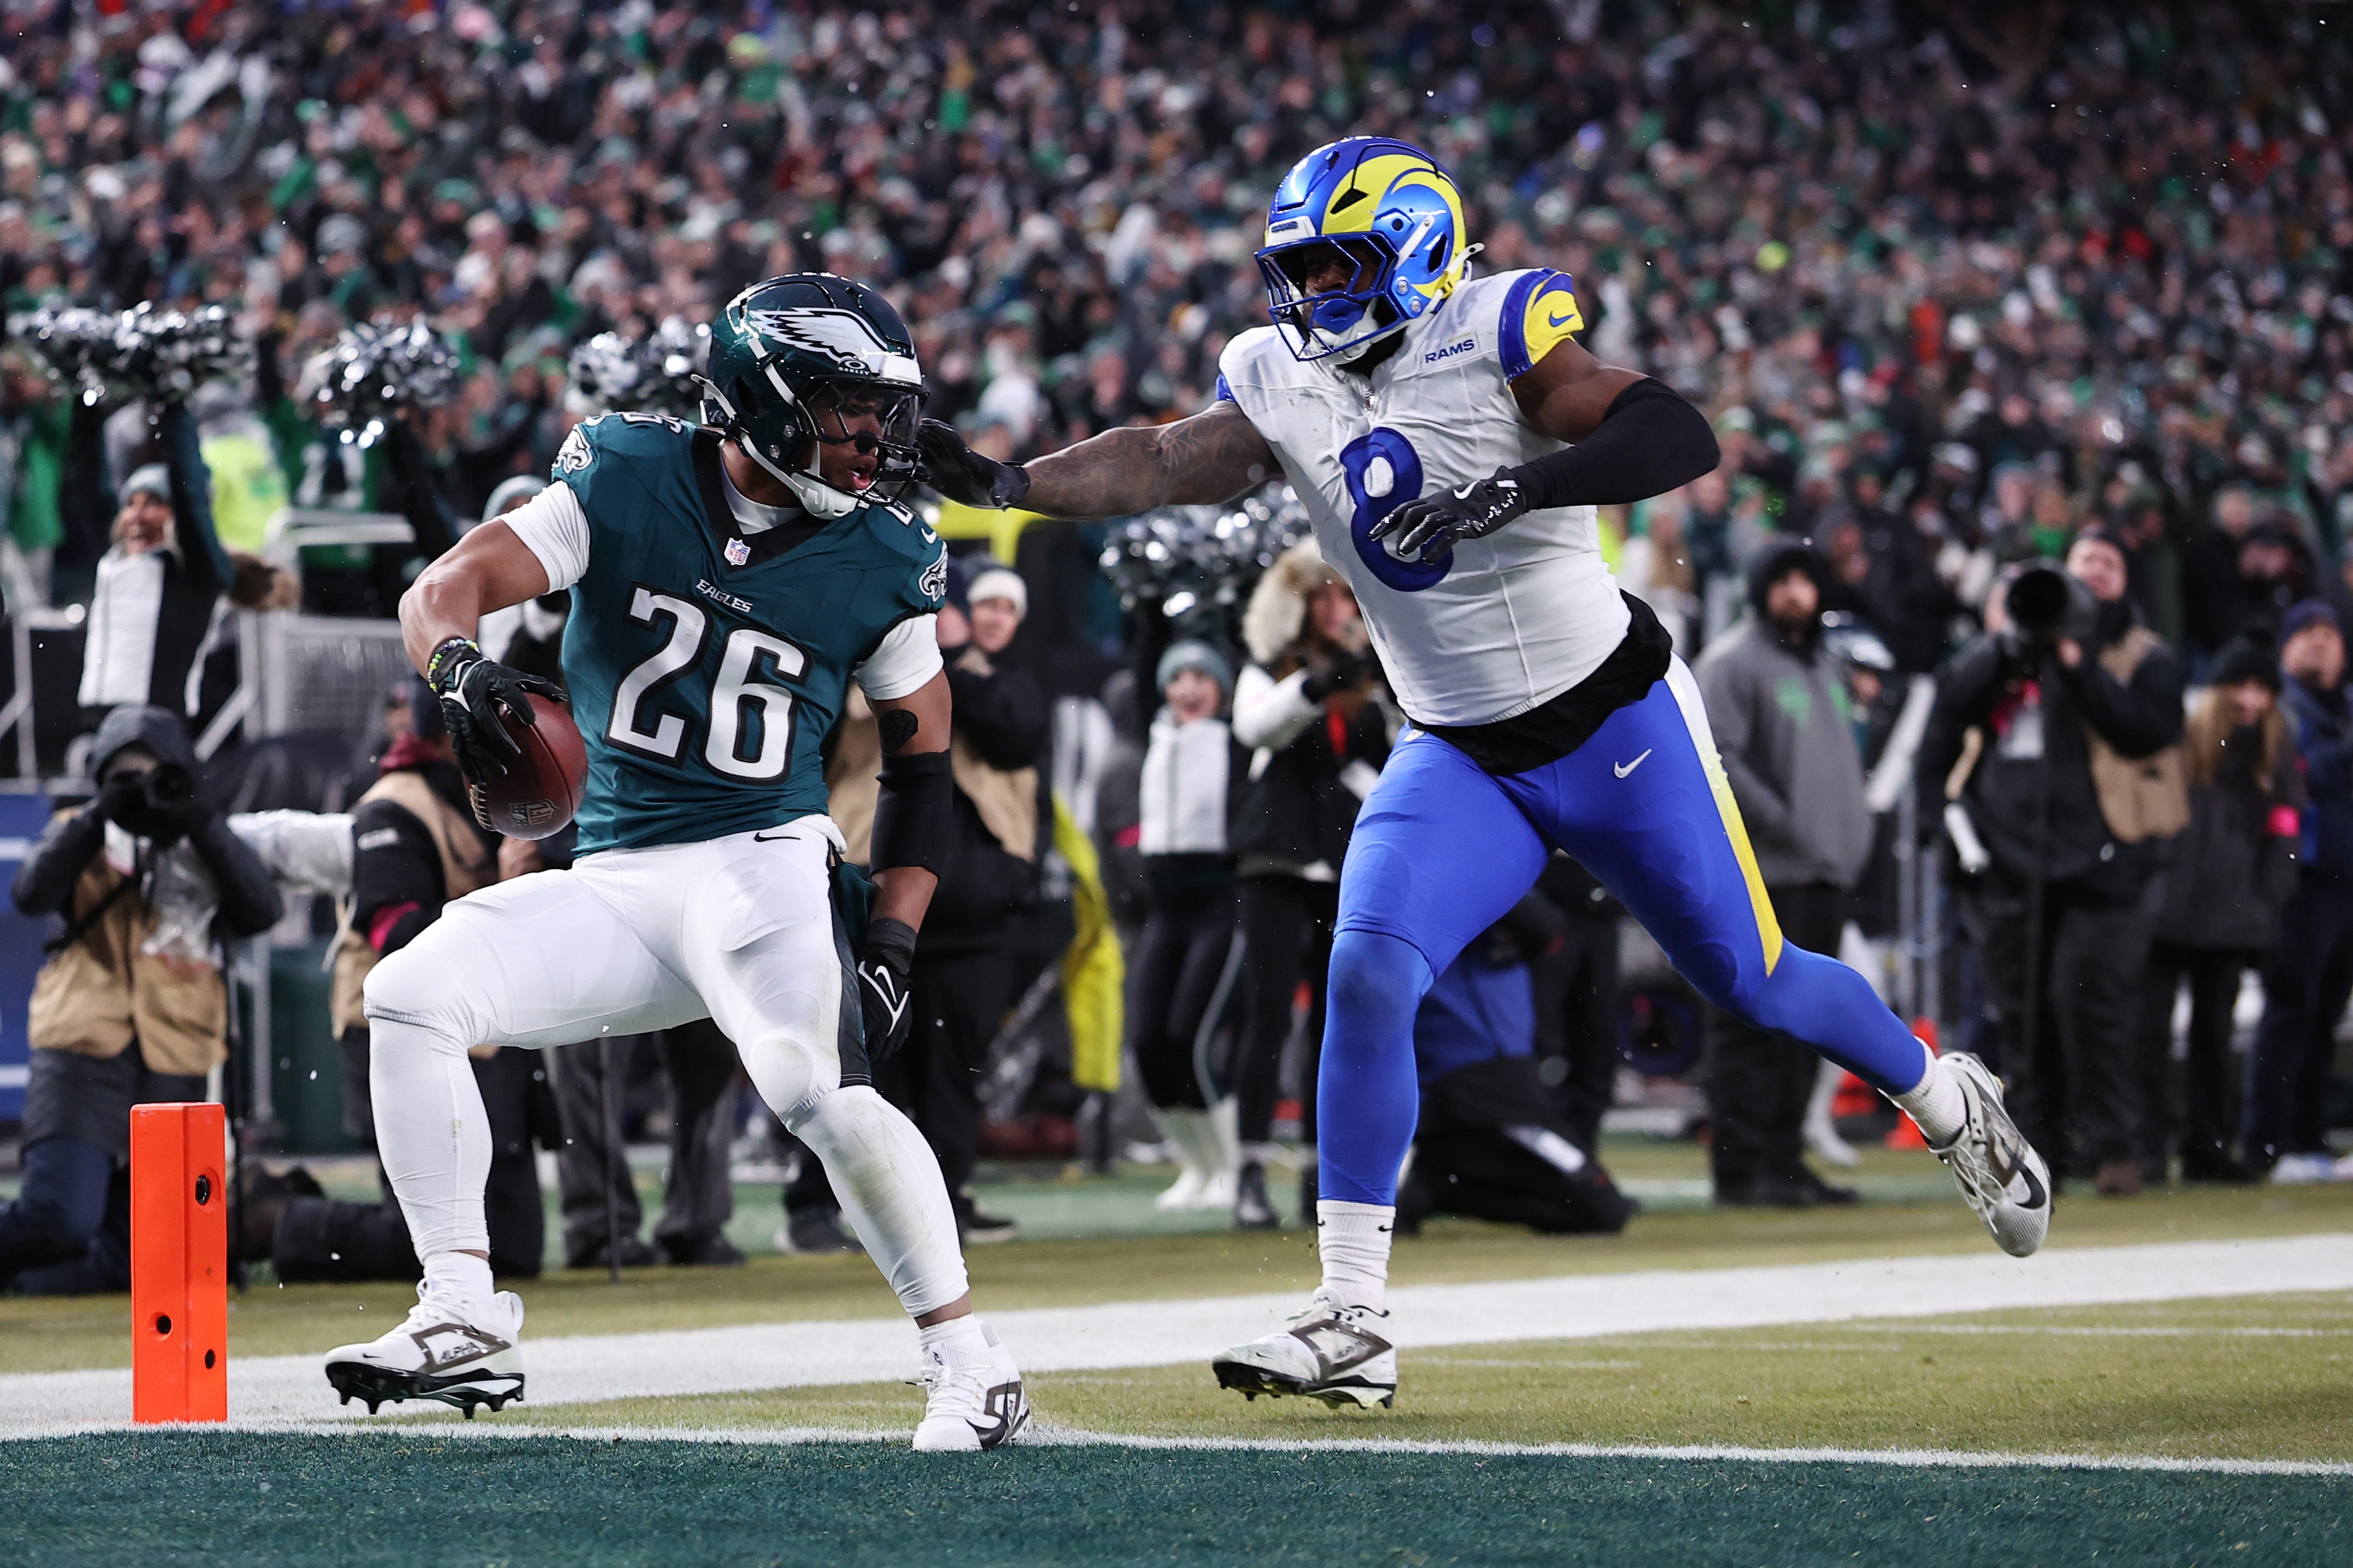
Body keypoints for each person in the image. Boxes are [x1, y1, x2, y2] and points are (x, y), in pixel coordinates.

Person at [922, 137, 2047, 1415]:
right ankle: (1352, 1314)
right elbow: (1171, 458)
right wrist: (1013, 484)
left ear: (1410, 245)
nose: (1313, 295)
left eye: (1339, 264)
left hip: (1615, 722)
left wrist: (1512, 489)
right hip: (1459, 742)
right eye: (1300, 269)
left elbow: (1673, 428)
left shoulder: (1502, 325)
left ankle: (1948, 1091)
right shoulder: (1280, 373)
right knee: (1366, 966)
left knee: (1755, 975)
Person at [319, 274, 1026, 1451]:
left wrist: (893, 939)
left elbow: (921, 770)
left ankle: (973, 1362)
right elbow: (444, 589)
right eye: (848, 408)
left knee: (810, 1087)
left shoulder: (887, 550)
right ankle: (459, 1307)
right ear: (764, 400)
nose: (875, 438)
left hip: (764, 862)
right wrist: (463, 670)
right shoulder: (628, 473)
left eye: (881, 410)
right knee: (409, 993)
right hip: (623, 873)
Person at [1919, 530, 2188, 1197]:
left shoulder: (2139, 655)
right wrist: (2010, 648)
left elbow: (2146, 730)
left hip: (2104, 861)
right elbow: (1949, 712)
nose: (2096, 573)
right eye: (2085, 562)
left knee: (2097, 1010)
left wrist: (2077, 662)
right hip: (2012, 860)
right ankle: (2038, 1154)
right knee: (2023, 1016)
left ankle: (2118, 1147)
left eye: (2111, 562)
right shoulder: (2004, 653)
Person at [1, 706, 281, 1293]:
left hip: (175, 1049)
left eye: (153, 774)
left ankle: (33, 1284)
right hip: (83, 1043)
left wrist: (199, 821)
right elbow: (31, 895)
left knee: (148, 1254)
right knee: (58, 1219)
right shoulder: (78, 826)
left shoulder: (200, 836)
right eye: (123, 774)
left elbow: (261, 911)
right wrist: (103, 812)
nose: (141, 789)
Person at [317, 679, 557, 1281]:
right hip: (401, 1024)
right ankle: (276, 1220)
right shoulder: (390, 805)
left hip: (485, 1023)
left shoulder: (497, 792)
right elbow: (398, 937)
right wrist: (504, 891)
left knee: (516, 1249)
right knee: (418, 1243)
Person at [1694, 538, 1876, 1208]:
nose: (1797, 593)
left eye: (1807, 580)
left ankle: (1784, 1159)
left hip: (1821, 874)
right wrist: (1786, 822)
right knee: (1755, 1029)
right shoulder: (1734, 663)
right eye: (1785, 581)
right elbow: (1720, 759)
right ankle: (1743, 1169)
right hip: (1768, 874)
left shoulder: (1822, 664)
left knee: (1805, 1028)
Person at [875, 558, 1046, 1244]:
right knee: (870, 1069)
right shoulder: (871, 667)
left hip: (975, 914)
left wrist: (938, 664)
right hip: (881, 899)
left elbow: (1015, 732)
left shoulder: (1008, 684)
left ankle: (943, 1204)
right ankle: (850, 1208)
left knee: (953, 1070)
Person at [1229, 541, 1391, 1226]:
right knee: (1266, 1017)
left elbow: (1386, 764)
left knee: (1335, 1026)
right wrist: (1318, 685)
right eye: (1321, 597)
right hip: (1278, 863)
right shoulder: (1270, 670)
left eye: (1342, 597)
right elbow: (1256, 727)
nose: (1334, 609)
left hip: (1344, 865)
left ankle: (1322, 1175)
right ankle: (1249, 1169)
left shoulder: (1371, 681)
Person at [2141, 640, 2302, 1184]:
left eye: (2262, 690)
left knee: (2213, 1039)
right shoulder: (2182, 743)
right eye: (2243, 686)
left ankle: (2206, 1147)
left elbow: (2285, 833)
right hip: (2169, 913)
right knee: (2151, 1034)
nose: (2252, 701)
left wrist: (2265, 899)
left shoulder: (2275, 754)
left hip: (2232, 918)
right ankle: (2147, 1146)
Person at [1128, 639, 1246, 1212]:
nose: (1190, 688)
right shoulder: (1156, 736)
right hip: (1164, 907)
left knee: (1190, 1041)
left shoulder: (1234, 742)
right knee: (1148, 1042)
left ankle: (1228, 1170)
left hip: (1216, 902)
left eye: (1204, 677)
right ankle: (1195, 1167)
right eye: (1180, 677)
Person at [2246, 602, 2353, 1181]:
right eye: (2307, 633)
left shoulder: (2344, 709)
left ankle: (2309, 1140)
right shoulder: (2277, 709)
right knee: (2290, 1011)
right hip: (2299, 883)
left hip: (2347, 883)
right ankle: (2267, 1141)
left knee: (2324, 1016)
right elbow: (2297, 775)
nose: (2319, 643)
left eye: (2328, 633)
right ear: (2286, 648)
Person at [70, 401, 232, 727]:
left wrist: (176, 410)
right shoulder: (112, 562)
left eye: (154, 503)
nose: (137, 516)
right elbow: (87, 479)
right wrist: (85, 401)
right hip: (99, 722)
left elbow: (192, 499)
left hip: (159, 728)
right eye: (131, 503)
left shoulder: (194, 573)